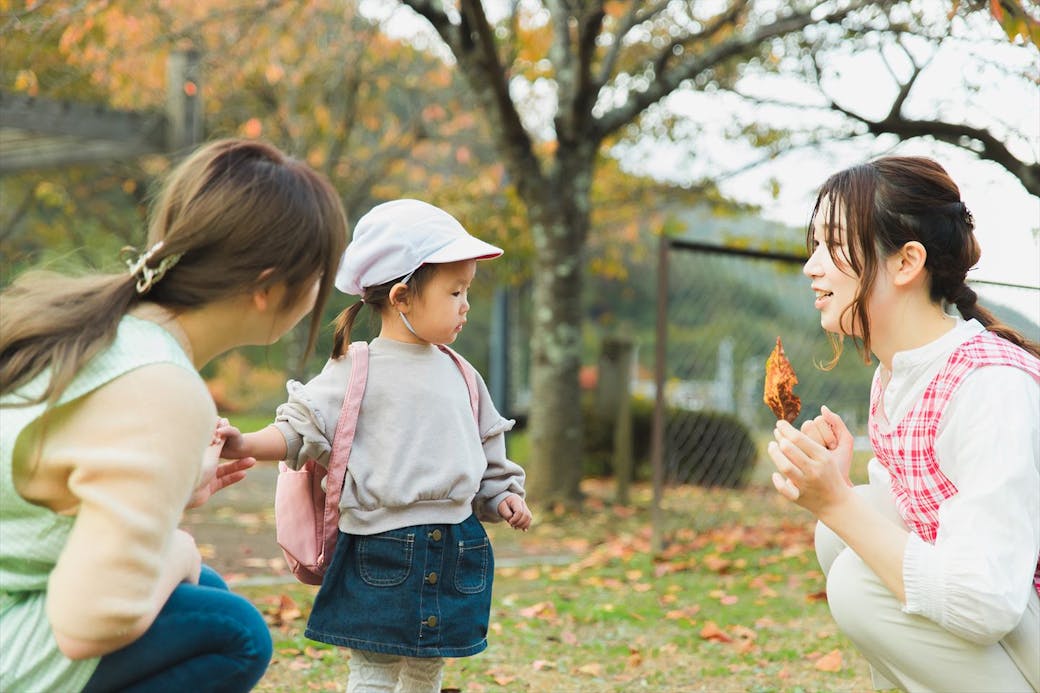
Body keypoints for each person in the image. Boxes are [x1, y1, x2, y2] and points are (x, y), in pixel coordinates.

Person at [0, 138, 349, 692]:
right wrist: (178, 547)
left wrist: (169, 495)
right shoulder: (160, 385)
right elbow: (88, 623)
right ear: (268, 287)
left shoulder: (101, 331)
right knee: (231, 630)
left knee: (203, 594)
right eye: (318, 276)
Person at [218, 198, 533, 693]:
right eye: (455, 291)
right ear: (403, 297)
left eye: (466, 290)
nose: (465, 304)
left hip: (456, 547)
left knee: (429, 667)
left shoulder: (461, 373)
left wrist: (503, 496)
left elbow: (489, 455)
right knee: (374, 671)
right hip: (380, 549)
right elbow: (301, 430)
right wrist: (244, 444)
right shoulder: (356, 367)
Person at [767, 156, 1039, 691]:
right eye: (813, 245)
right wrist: (838, 493)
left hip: (1021, 608)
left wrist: (835, 501)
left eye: (833, 244)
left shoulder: (990, 385)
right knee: (845, 530)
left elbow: (987, 600)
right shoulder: (898, 377)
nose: (812, 266)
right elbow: (914, 524)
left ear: (906, 261)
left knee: (857, 582)